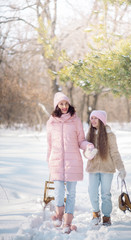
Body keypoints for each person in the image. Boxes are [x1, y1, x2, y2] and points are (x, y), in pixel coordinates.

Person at [46, 92, 94, 234]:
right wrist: (48, 160)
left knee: (71, 193)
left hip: (73, 161)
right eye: (61, 104)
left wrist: (88, 146)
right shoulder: (51, 121)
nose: (64, 106)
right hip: (56, 161)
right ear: (57, 105)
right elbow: (49, 144)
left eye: (66, 103)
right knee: (59, 192)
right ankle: (59, 215)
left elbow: (81, 141)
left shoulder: (75, 120)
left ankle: (67, 223)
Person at [84, 110, 126, 226]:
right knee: (92, 192)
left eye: (95, 118)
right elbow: (85, 152)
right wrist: (89, 154)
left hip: (107, 169)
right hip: (92, 169)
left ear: (101, 120)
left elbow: (115, 153)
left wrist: (121, 168)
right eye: (91, 118)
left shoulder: (110, 135)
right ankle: (96, 214)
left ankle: (106, 217)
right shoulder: (89, 134)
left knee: (105, 194)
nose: (92, 120)